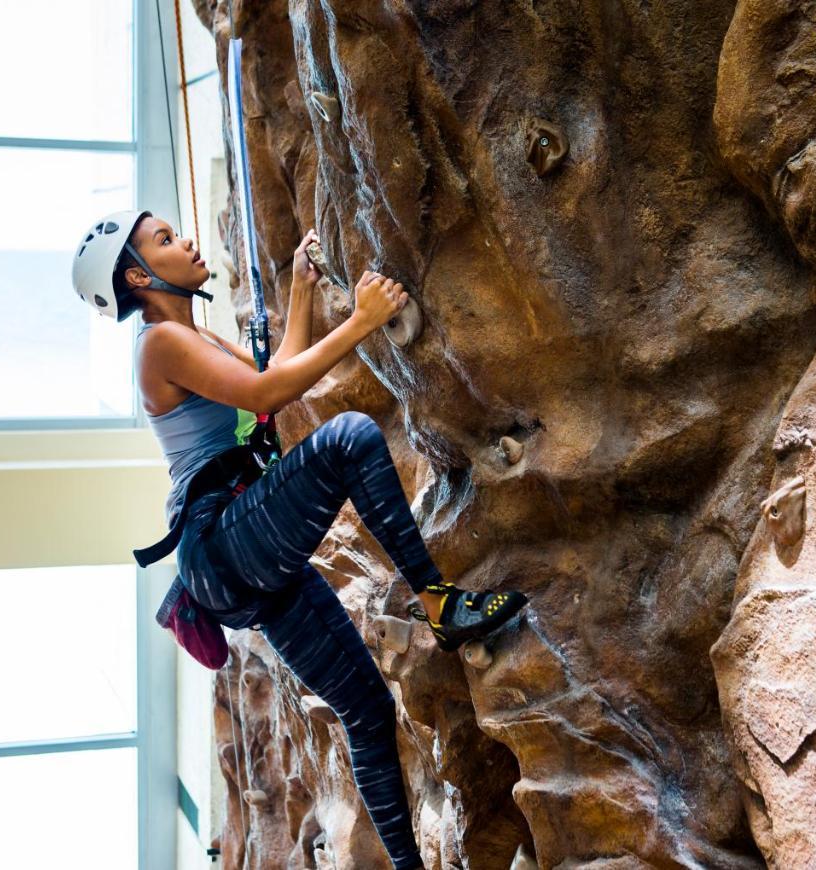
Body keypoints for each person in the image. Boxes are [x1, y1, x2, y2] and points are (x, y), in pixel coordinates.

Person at [70, 209, 528, 869]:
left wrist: (301, 289)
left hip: (244, 562)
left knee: (367, 710)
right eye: (166, 240)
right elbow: (269, 386)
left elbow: (272, 390)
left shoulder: (192, 338)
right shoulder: (157, 345)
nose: (187, 240)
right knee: (350, 440)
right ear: (139, 276)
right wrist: (363, 320)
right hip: (222, 544)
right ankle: (440, 604)